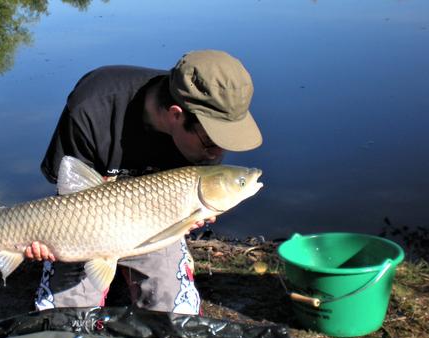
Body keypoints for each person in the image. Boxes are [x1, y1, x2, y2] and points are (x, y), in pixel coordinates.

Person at [25, 50, 262, 315]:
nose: (217, 154)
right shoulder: (92, 106)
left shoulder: (207, 130)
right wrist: (48, 239)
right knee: (62, 319)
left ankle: (132, 272)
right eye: (210, 143)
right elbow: (70, 189)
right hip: (83, 226)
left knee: (176, 313)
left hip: (155, 227)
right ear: (175, 114)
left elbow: (200, 200)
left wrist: (196, 216)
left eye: (224, 143)